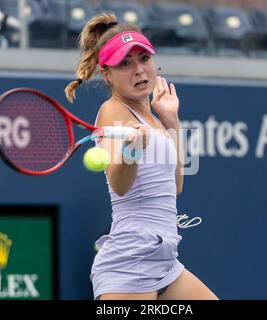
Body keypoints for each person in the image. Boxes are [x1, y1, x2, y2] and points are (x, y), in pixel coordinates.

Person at [65, 12, 218, 300]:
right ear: (106, 74)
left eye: (144, 59)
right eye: (125, 63)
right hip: (130, 263)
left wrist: (171, 121)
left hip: (165, 263)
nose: (139, 70)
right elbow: (119, 184)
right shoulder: (113, 111)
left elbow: (176, 186)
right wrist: (132, 150)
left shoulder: (156, 118)